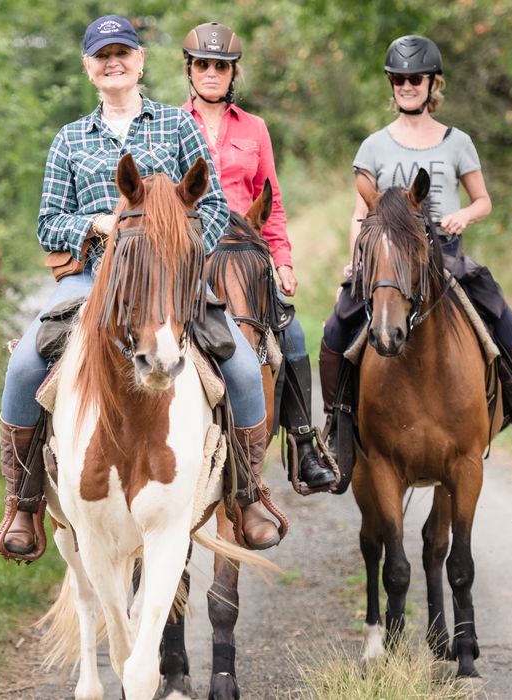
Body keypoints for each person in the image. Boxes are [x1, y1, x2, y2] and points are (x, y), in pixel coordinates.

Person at [0, 15, 285, 563]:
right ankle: (24, 501)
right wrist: (96, 225)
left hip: (172, 281)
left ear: (141, 61)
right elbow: (47, 222)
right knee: (25, 367)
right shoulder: (70, 139)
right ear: (88, 68)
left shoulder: (177, 125)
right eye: (102, 55)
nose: (113, 62)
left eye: (122, 53)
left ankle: (248, 497)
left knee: (244, 366)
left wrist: (176, 241)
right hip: (91, 279)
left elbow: (216, 207)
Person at [318, 34, 512, 467]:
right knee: (336, 329)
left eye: (416, 79)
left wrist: (465, 216)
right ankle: (336, 426)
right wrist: (358, 258)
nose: (407, 86)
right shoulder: (373, 145)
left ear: (433, 83)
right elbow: (361, 210)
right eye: (399, 79)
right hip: (386, 260)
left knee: (505, 321)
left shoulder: (457, 141)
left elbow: (483, 199)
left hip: (443, 254)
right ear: (391, 85)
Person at [179, 22, 335, 491]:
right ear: (190, 69)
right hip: (194, 249)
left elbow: (274, 199)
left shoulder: (255, 129)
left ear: (232, 74)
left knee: (292, 334)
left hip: (246, 252)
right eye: (203, 64)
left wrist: (282, 259)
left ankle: (303, 446)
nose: (211, 72)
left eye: (220, 66)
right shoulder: (170, 124)